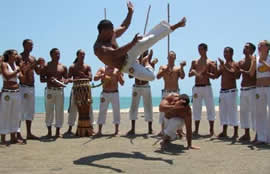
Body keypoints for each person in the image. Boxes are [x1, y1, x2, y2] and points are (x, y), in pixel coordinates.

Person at [94, 1, 186, 81]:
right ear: (103, 31)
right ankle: (146, 62)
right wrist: (132, 43)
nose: (112, 33)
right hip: (126, 67)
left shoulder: (111, 33)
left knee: (149, 39)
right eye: (110, 32)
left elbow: (124, 26)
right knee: (151, 77)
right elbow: (115, 54)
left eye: (112, 31)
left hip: (129, 53)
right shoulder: (99, 48)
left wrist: (130, 12)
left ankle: (177, 25)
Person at [16, 39, 43, 140]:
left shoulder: (32, 58)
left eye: (32, 45)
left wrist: (41, 65)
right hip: (23, 86)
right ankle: (17, 133)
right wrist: (34, 63)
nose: (31, 47)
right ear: (23, 45)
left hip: (32, 87)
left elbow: (38, 72)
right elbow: (22, 70)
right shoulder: (19, 57)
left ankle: (29, 133)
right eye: (29, 45)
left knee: (30, 111)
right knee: (20, 110)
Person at [244, 40, 270, 144]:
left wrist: (263, 62)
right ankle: (261, 138)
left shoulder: (268, 58)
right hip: (259, 89)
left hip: (269, 88)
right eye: (258, 45)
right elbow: (251, 73)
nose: (259, 47)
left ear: (267, 47)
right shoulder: (256, 59)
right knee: (260, 113)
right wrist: (253, 62)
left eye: (261, 45)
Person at [127, 50, 158, 135]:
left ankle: (150, 129)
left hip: (146, 86)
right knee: (133, 107)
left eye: (146, 52)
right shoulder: (135, 61)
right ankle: (132, 129)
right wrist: (135, 67)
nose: (144, 53)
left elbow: (151, 76)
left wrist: (151, 63)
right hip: (136, 87)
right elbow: (130, 76)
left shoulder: (149, 63)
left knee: (148, 107)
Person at [188, 43, 216, 136]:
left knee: (210, 107)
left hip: (207, 87)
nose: (200, 51)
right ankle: (196, 130)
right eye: (198, 49)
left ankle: (211, 130)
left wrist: (206, 73)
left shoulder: (210, 62)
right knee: (196, 108)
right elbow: (189, 74)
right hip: (197, 87)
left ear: (205, 50)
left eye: (201, 49)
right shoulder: (194, 62)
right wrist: (196, 73)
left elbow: (214, 76)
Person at [40, 48, 68, 138]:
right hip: (50, 91)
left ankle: (58, 131)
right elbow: (41, 79)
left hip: (59, 91)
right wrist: (50, 79)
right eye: (56, 54)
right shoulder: (46, 66)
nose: (58, 56)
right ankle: (49, 132)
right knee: (49, 111)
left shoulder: (63, 67)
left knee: (59, 111)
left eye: (59, 54)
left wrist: (63, 80)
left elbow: (66, 79)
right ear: (51, 55)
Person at [65, 49, 94, 135]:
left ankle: (91, 126)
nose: (83, 56)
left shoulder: (87, 66)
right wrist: (69, 80)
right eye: (81, 54)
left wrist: (83, 75)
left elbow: (90, 78)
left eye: (84, 54)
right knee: (73, 108)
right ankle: (70, 128)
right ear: (77, 55)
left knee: (89, 108)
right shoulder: (72, 67)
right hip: (76, 89)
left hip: (86, 90)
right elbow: (69, 78)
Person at [157, 50, 186, 136]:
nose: (171, 57)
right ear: (167, 58)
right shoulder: (163, 67)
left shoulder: (177, 68)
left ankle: (179, 130)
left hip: (175, 92)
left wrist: (182, 67)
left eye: (172, 56)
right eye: (169, 56)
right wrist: (165, 70)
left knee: (178, 110)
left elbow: (182, 76)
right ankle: (163, 130)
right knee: (163, 111)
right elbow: (158, 76)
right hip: (166, 92)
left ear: (175, 57)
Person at [215, 47, 241, 139]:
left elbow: (236, 76)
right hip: (223, 91)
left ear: (232, 54)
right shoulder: (223, 65)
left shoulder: (235, 64)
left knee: (232, 111)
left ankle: (235, 132)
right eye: (224, 52)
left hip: (231, 91)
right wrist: (213, 69)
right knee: (223, 112)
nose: (225, 54)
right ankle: (224, 132)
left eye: (227, 52)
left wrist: (224, 66)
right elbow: (216, 75)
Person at [0, 50, 24, 145]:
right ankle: (3, 138)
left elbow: (22, 78)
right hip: (7, 93)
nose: (16, 55)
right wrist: (17, 70)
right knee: (5, 115)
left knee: (15, 115)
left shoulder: (17, 66)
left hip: (16, 92)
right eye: (15, 54)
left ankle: (13, 137)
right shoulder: (4, 64)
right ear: (9, 55)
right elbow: (7, 76)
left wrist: (24, 69)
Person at [94, 66, 124, 136]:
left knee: (116, 111)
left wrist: (119, 75)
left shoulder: (118, 70)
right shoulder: (102, 69)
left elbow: (122, 83)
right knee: (102, 111)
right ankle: (99, 131)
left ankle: (117, 130)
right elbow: (95, 78)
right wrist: (102, 75)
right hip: (105, 93)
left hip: (115, 93)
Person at [237, 43, 256, 141]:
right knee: (244, 112)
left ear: (252, 50)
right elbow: (237, 76)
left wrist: (243, 71)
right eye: (244, 47)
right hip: (243, 89)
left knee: (254, 112)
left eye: (247, 47)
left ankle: (257, 134)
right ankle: (246, 133)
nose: (244, 48)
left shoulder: (255, 60)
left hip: (253, 89)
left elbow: (252, 75)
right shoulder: (240, 62)